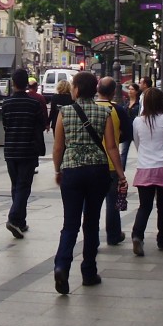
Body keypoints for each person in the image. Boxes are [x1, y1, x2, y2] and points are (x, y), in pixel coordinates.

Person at [52, 71, 128, 294]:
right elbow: (112, 147)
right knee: (91, 222)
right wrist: (121, 175)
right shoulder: (103, 112)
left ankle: (61, 265)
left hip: (72, 170)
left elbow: (58, 147)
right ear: (94, 89)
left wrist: (58, 169)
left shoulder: (64, 113)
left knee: (70, 223)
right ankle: (89, 271)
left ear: (76, 89)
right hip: (97, 170)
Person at [130, 87, 163, 256]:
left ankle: (137, 235)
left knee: (145, 206)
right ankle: (162, 240)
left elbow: (137, 143)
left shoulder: (137, 121)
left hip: (145, 167)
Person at [1, 68, 46, 240]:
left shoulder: (7, 104)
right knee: (23, 186)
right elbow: (41, 124)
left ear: (13, 84)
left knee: (16, 185)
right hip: (28, 150)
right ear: (27, 83)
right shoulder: (33, 104)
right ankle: (14, 218)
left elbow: (5, 125)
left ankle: (20, 221)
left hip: (11, 150)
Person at [96, 77, 130, 246]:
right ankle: (113, 235)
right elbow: (128, 134)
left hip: (92, 163)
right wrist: (116, 138)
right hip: (110, 163)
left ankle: (92, 238)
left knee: (91, 205)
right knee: (112, 202)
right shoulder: (117, 110)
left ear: (98, 89)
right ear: (112, 92)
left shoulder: (90, 108)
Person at [120, 84, 140, 168]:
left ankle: (143, 168)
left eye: (132, 89)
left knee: (140, 151)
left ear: (136, 92)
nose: (130, 91)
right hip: (127, 130)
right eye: (129, 89)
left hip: (136, 130)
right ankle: (121, 172)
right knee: (124, 152)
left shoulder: (139, 103)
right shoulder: (126, 102)